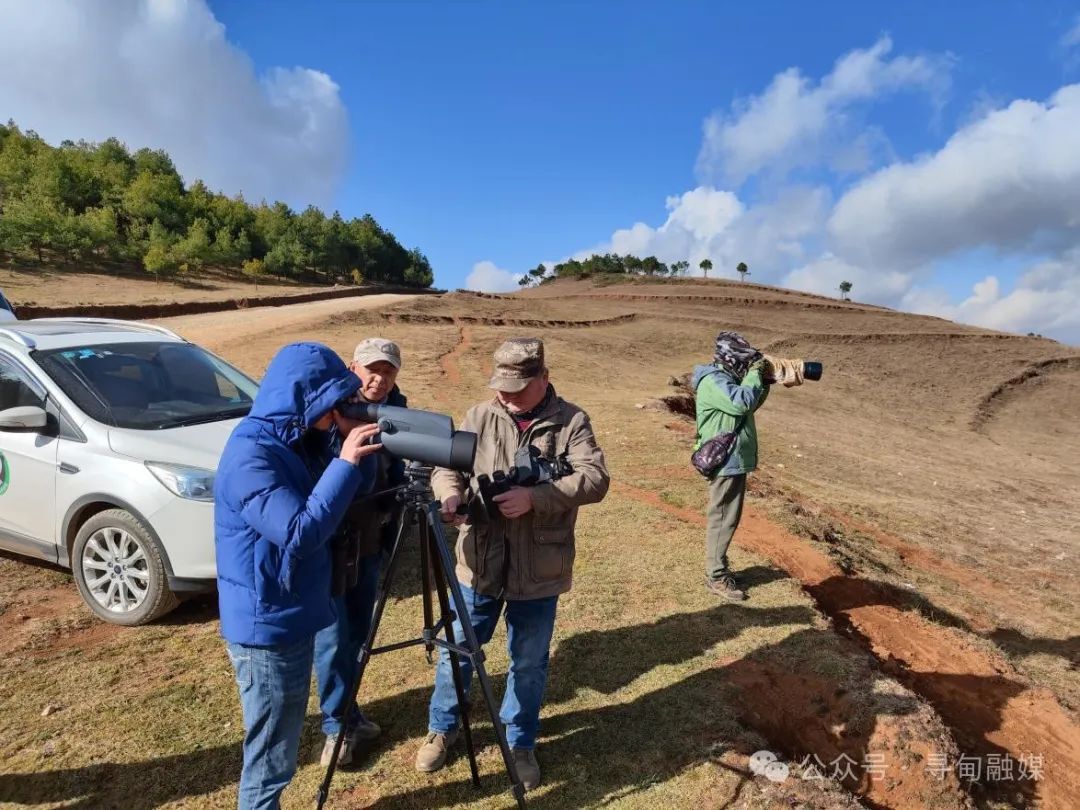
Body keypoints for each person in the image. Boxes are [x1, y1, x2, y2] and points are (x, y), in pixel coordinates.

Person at [415, 337, 610, 790]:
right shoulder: (480, 416)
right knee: (458, 652)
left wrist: (536, 498)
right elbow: (449, 467)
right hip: (478, 563)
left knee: (528, 662)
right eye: (500, 387)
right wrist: (450, 495)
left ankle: (519, 742)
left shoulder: (572, 420)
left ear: (543, 377)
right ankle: (442, 729)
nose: (505, 396)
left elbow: (596, 479)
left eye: (517, 388)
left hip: (539, 569)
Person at [214, 342, 382, 810]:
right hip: (267, 625)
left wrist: (349, 447)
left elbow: (350, 502)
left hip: (293, 609)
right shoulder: (251, 457)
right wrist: (344, 461)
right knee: (272, 758)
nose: (336, 413)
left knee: (278, 747)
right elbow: (300, 533)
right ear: (304, 396)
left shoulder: (297, 440)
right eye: (333, 403)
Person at [314, 338, 408, 766]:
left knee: (356, 634)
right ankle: (335, 727)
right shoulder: (329, 411)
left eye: (387, 371)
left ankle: (350, 713)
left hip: (369, 542)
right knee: (332, 639)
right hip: (331, 545)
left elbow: (400, 475)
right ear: (352, 367)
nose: (379, 378)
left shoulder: (399, 412)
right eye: (371, 368)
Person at [691, 330, 771, 602]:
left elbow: (750, 405)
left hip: (733, 460)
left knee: (728, 518)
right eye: (744, 361)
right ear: (730, 359)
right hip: (725, 460)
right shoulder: (714, 381)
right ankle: (715, 576)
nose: (747, 365)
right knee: (723, 518)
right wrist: (754, 373)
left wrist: (764, 380)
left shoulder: (724, 379)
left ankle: (718, 568)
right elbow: (742, 403)